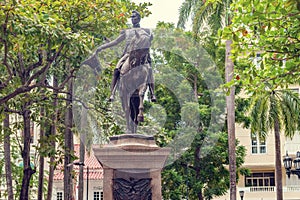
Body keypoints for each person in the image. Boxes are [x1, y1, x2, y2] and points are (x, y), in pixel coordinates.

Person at [95, 10, 156, 102]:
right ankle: (112, 93)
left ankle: (152, 93)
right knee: (117, 68)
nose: (132, 19)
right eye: (131, 17)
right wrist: (102, 47)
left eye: (134, 17)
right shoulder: (126, 32)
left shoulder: (145, 31)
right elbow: (115, 42)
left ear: (139, 19)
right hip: (128, 54)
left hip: (142, 55)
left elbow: (149, 41)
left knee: (149, 69)